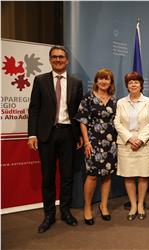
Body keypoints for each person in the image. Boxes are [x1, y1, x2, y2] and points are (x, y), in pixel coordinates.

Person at [28, 46, 83, 233]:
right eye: (54, 57)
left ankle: (66, 212)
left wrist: (80, 136)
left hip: (69, 134)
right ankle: (49, 215)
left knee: (67, 176)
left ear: (67, 60)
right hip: (47, 135)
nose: (58, 60)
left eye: (61, 57)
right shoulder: (40, 80)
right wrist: (32, 134)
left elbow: (78, 112)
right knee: (48, 177)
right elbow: (34, 109)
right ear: (50, 60)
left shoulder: (76, 83)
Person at [75, 68, 117, 225]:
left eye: (107, 79)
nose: (104, 81)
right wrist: (86, 142)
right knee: (92, 176)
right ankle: (87, 207)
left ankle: (103, 205)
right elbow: (82, 121)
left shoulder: (114, 100)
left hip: (111, 143)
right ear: (96, 81)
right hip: (93, 142)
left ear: (110, 82)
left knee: (107, 175)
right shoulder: (88, 98)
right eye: (101, 78)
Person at [114, 72, 149, 221]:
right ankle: (133, 205)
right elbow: (117, 123)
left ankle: (140, 205)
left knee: (143, 175)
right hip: (126, 144)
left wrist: (140, 139)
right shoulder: (120, 102)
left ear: (141, 84)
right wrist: (130, 138)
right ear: (127, 85)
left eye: (136, 82)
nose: (133, 84)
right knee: (129, 175)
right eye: (130, 82)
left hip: (143, 145)